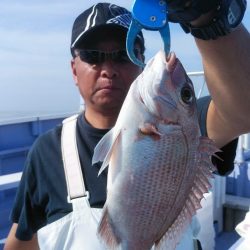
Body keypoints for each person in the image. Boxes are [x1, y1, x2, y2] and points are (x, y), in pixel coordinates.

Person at [4, 2, 250, 250]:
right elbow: (21, 241)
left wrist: (207, 14)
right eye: (92, 56)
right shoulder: (47, 151)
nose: (108, 70)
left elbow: (243, 111)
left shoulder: (188, 125)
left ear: (141, 61)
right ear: (74, 70)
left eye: (123, 54)